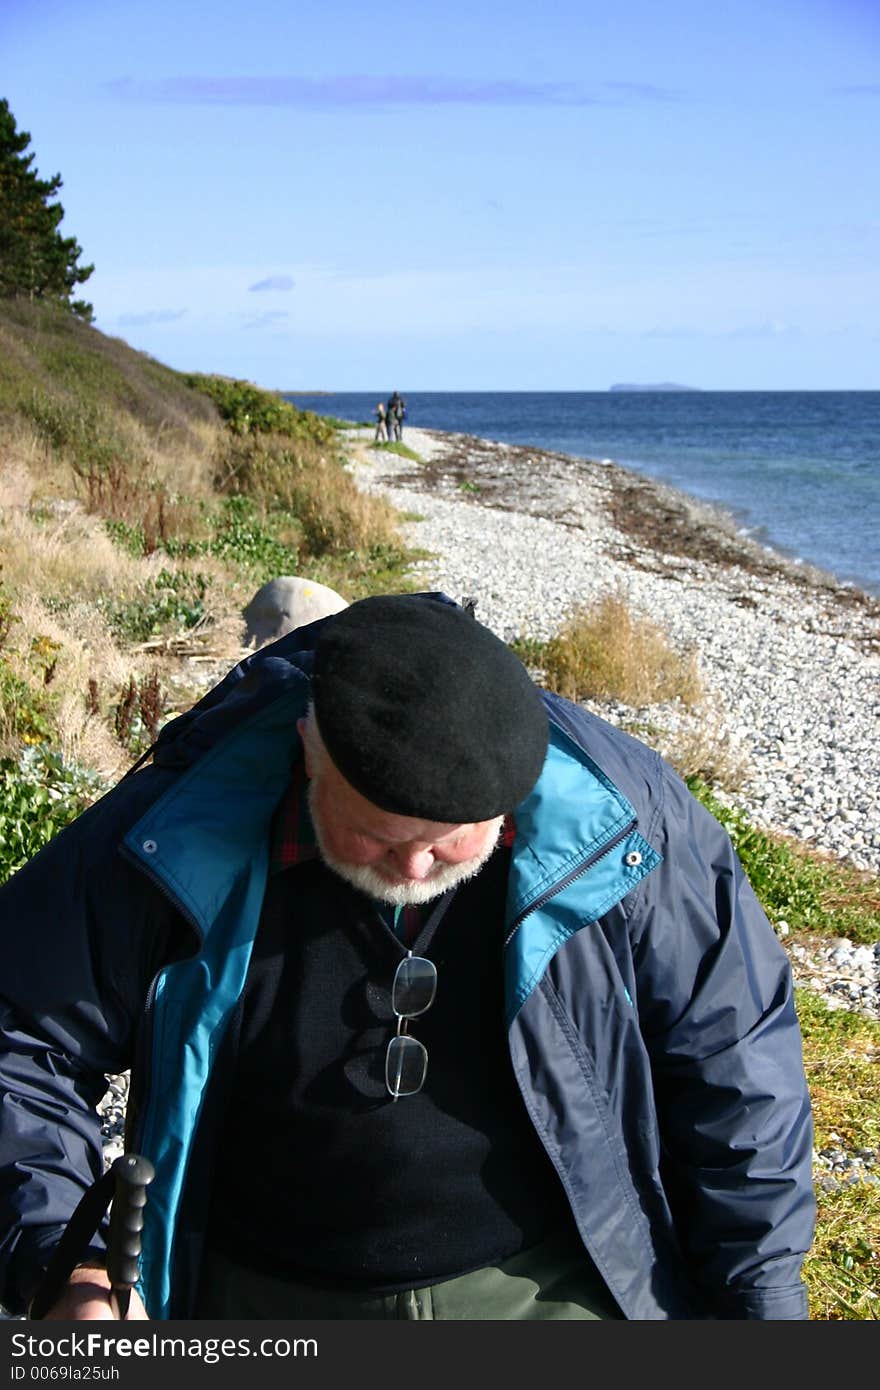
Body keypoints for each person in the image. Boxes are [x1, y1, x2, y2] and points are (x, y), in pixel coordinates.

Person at [0, 592, 815, 1321]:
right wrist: (71, 1268)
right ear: (308, 749)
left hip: (552, 1283)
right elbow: (21, 1038)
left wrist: (762, 1304)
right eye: (381, 835)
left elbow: (735, 1059)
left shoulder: (622, 819)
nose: (417, 869)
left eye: (452, 839)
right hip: (256, 1291)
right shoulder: (175, 823)